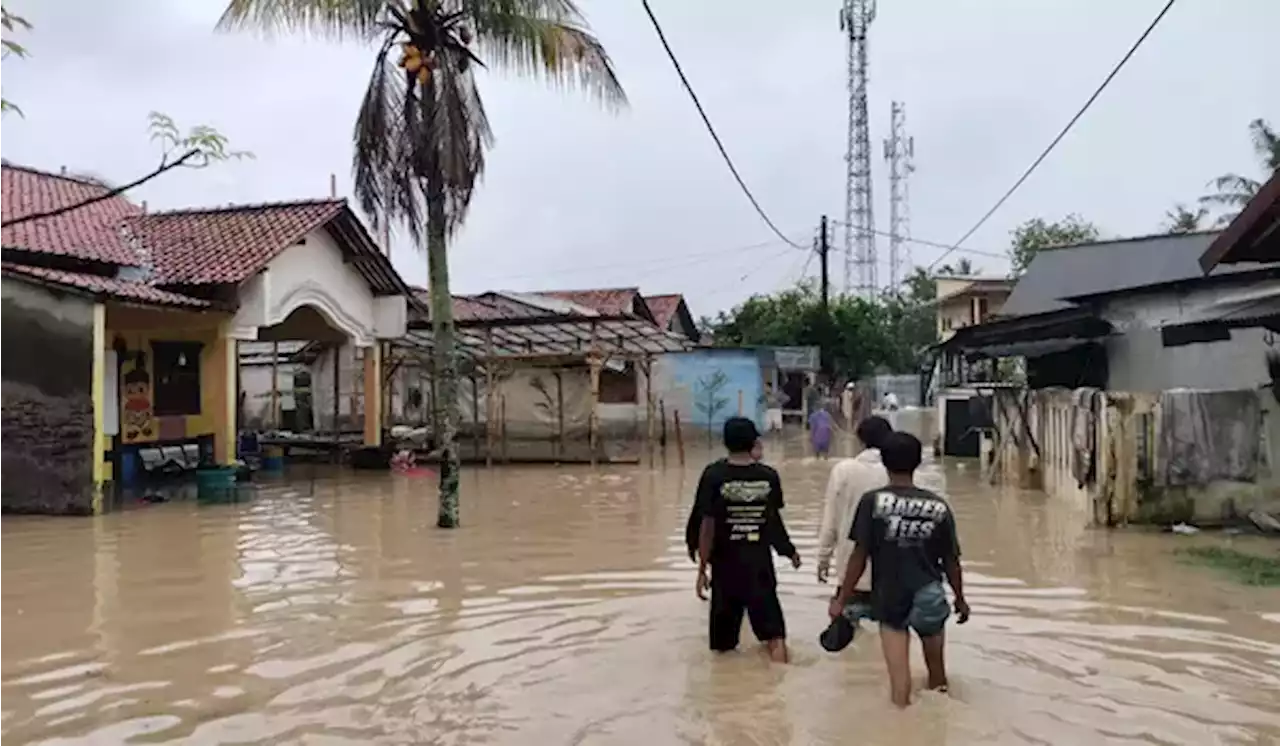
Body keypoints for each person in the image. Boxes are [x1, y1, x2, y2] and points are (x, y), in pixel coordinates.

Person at [828, 431, 970, 708]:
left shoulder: (872, 502)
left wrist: (841, 599)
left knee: (899, 683)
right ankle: (938, 728)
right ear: (917, 462)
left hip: (890, 596)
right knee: (937, 675)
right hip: (929, 593)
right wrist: (961, 600)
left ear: (884, 462)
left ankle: (901, 730)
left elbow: (859, 556)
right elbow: (951, 560)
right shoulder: (938, 505)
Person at [695, 417, 800, 663]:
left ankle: (724, 692)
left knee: (723, 646)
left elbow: (707, 527)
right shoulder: (769, 476)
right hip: (759, 567)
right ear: (754, 442)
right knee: (775, 636)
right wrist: (789, 551)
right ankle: (781, 686)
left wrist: (702, 568)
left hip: (725, 568)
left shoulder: (713, 475)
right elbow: (773, 521)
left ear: (725, 442)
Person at [816, 416, 894, 635]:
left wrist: (823, 559)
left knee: (846, 638)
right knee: (891, 636)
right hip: (892, 576)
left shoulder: (843, 470)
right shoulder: (897, 472)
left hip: (851, 572)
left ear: (860, 440)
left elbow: (830, 520)